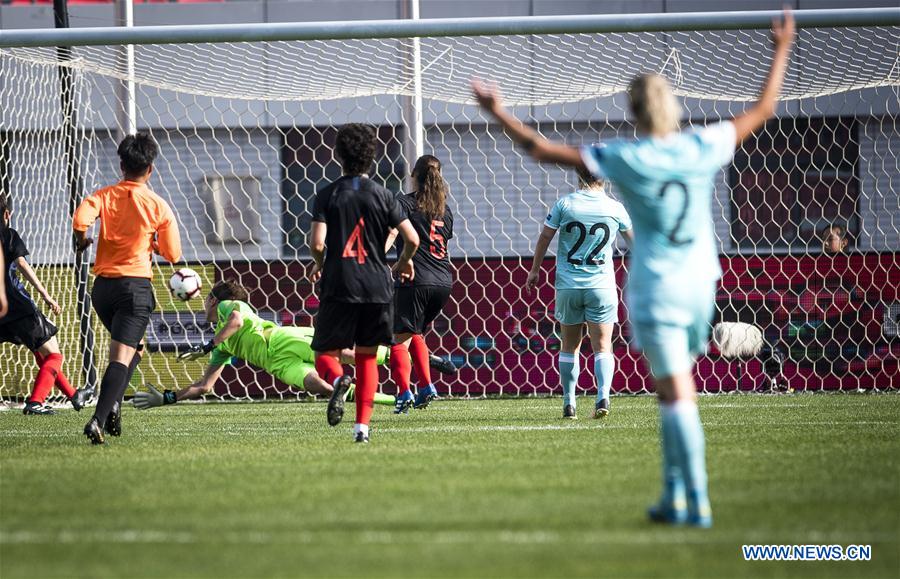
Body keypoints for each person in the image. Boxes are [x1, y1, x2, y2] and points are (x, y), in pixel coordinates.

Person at [473, 9, 794, 527]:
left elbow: (539, 149)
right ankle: (673, 495)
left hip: (657, 288)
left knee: (674, 394)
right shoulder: (701, 143)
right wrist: (781, 48)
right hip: (700, 285)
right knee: (675, 389)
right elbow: (764, 107)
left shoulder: (626, 156)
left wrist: (498, 110)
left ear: (634, 113)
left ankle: (696, 499)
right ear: (674, 109)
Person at [133, 280, 410, 408]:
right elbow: (205, 386)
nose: (204, 302)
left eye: (207, 299)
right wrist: (168, 398)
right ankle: (390, 398)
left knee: (347, 354)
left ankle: (399, 355)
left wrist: (208, 345)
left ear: (215, 301)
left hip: (282, 339)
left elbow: (238, 321)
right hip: (276, 364)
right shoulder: (223, 347)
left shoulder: (231, 306)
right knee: (318, 385)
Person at [309, 123, 419, 443]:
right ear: (372, 156)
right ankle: (362, 429)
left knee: (325, 356)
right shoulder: (385, 195)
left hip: (340, 282)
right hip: (376, 284)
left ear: (337, 154)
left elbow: (317, 244)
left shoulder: (327, 194)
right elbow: (410, 238)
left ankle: (339, 380)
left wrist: (320, 265)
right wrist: (402, 262)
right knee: (367, 357)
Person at [72, 133, 182, 444]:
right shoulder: (158, 206)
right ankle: (98, 419)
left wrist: (83, 241)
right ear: (151, 169)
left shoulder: (104, 196)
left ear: (122, 165)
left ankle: (115, 403)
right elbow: (174, 254)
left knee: (135, 350)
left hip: (103, 290)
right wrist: (154, 245)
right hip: (134, 289)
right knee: (121, 357)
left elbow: (81, 220)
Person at [526, 169, 632, 420]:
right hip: (602, 287)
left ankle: (569, 403)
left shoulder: (565, 204)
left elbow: (544, 237)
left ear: (578, 175)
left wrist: (534, 270)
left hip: (569, 285)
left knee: (569, 346)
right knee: (603, 346)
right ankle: (602, 396)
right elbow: (635, 241)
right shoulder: (614, 208)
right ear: (604, 177)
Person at [386, 155, 456, 414]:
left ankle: (404, 392)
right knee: (415, 333)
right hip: (443, 282)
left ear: (413, 175)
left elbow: (393, 232)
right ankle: (426, 387)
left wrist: (377, 259)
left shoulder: (403, 202)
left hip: (414, 279)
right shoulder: (445, 209)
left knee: (399, 341)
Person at [0, 194, 81, 414]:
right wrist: (45, 294)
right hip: (18, 306)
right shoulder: (8, 235)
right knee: (54, 355)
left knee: (42, 352)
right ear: (7, 214)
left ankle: (73, 395)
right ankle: (35, 402)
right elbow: (22, 264)